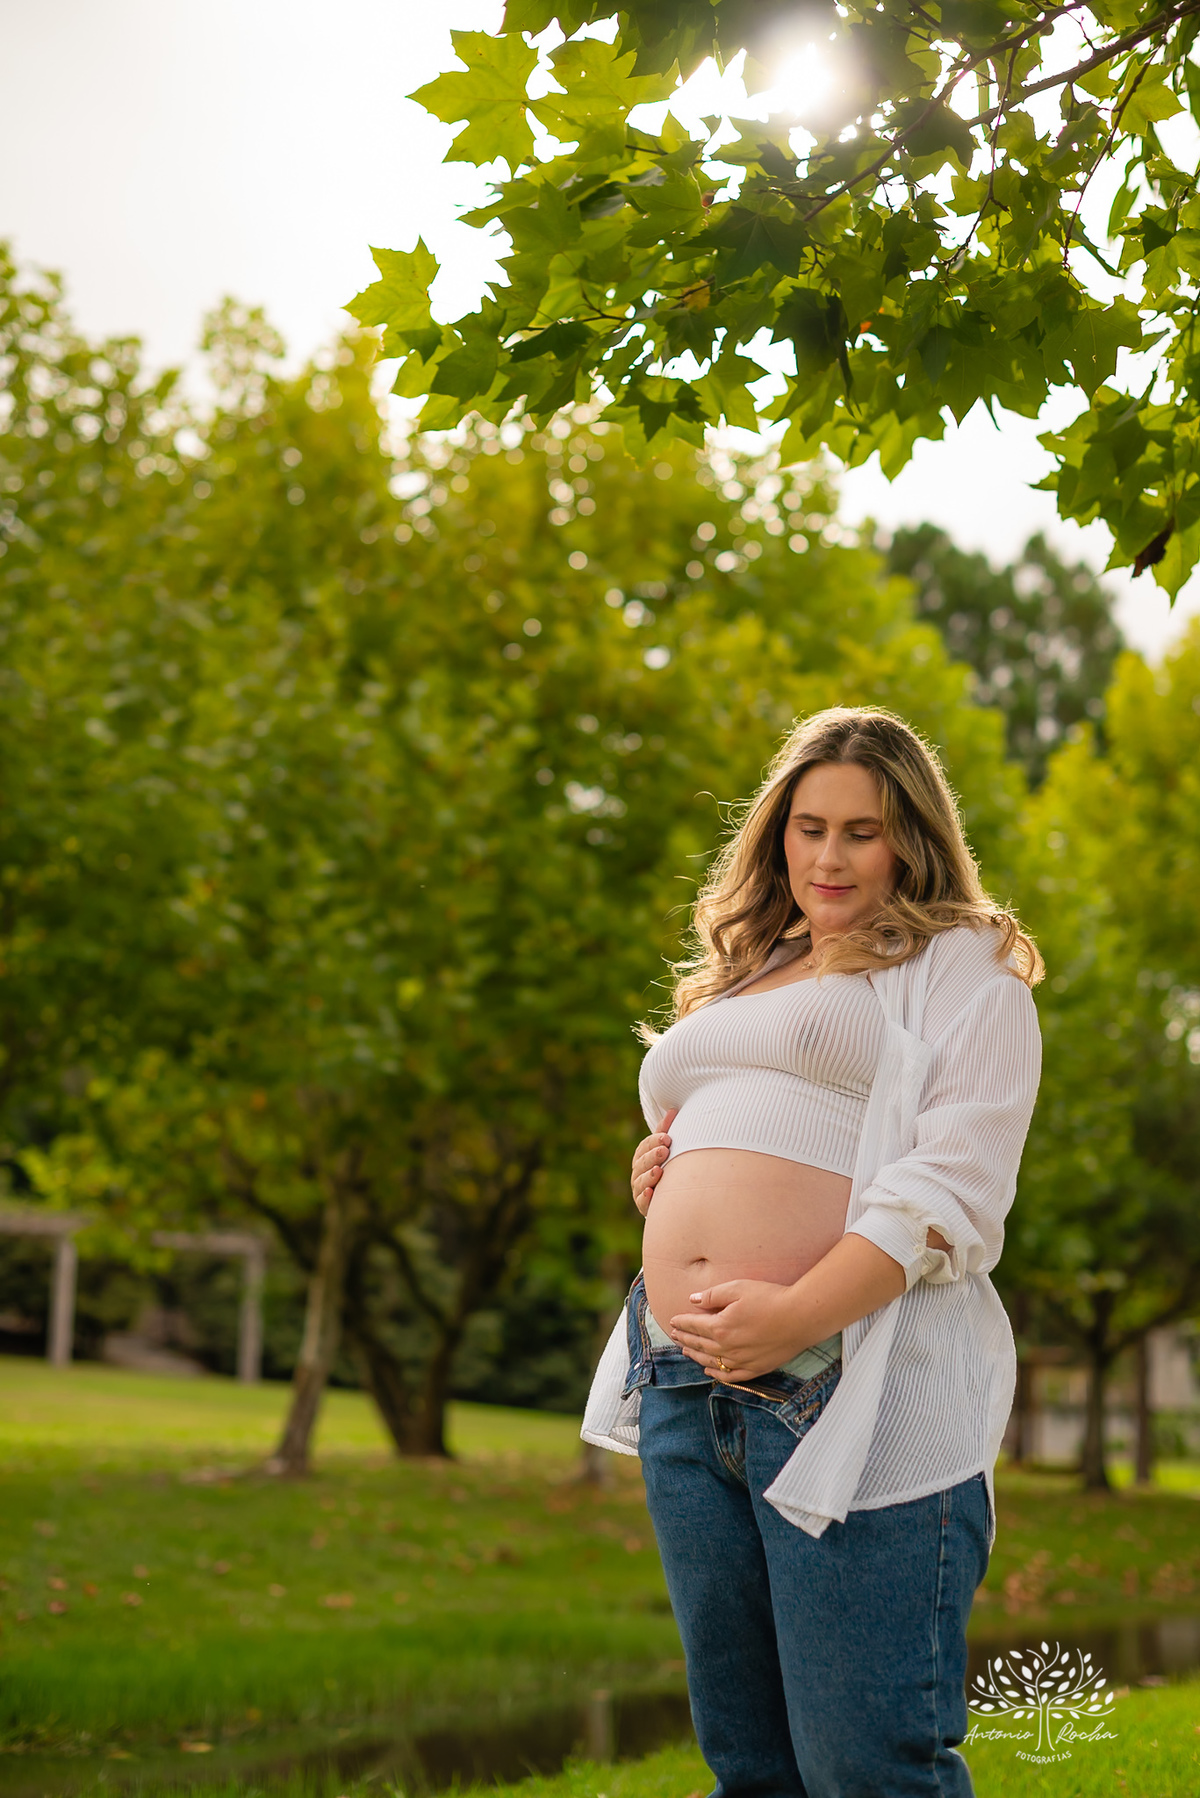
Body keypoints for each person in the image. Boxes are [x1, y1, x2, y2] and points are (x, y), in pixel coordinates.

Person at [581, 707, 1043, 1798]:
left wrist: (796, 1314)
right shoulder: (755, 963)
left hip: (845, 1385)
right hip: (687, 1379)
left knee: (866, 1766)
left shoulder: (959, 963)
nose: (828, 856)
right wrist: (668, 1168)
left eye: (862, 831)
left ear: (913, 839)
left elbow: (951, 1188)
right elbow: (740, 1112)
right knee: (750, 1766)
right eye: (807, 826)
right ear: (774, 834)